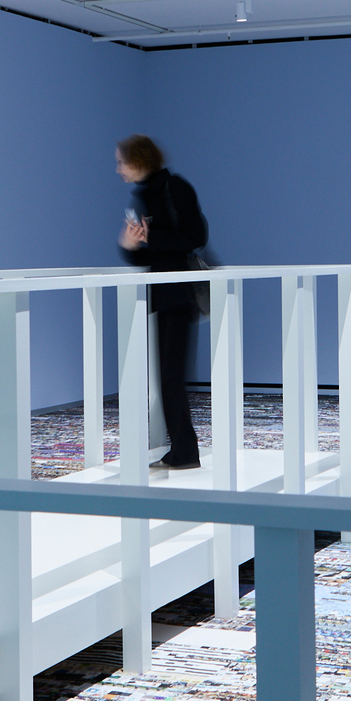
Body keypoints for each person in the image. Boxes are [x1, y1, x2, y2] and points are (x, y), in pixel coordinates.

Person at [115, 134, 208, 471]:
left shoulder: (173, 188)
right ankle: (182, 449)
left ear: (139, 161)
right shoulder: (145, 196)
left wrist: (150, 237)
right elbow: (150, 256)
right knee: (168, 377)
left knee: (171, 376)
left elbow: (195, 236)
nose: (118, 170)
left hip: (179, 294)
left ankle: (185, 451)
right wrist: (129, 246)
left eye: (121, 162)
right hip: (164, 293)